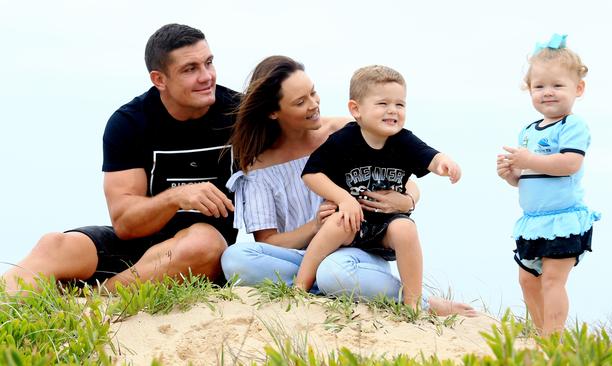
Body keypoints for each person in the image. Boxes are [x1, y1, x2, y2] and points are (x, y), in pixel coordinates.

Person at [222, 56, 475, 316]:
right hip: (304, 257)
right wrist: (316, 227)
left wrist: (407, 201)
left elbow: (400, 180)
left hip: (356, 252)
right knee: (235, 259)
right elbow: (270, 242)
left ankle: (414, 302)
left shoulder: (346, 131)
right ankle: (330, 288)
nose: (314, 104)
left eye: (313, 93)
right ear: (273, 112)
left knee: (335, 270)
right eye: (300, 102)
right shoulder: (258, 167)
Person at [2, 24, 238, 293]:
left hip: (197, 254)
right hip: (137, 248)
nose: (206, 76)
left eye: (208, 63)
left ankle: (94, 300)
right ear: (159, 79)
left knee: (203, 243)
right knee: (53, 245)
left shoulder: (241, 117)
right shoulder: (129, 122)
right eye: (190, 69)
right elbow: (125, 224)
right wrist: (176, 197)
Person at [295, 65, 463, 312]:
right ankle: (300, 286)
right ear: (356, 109)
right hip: (353, 219)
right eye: (383, 103)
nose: (393, 110)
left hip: (387, 224)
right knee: (337, 222)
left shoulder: (404, 141)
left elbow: (429, 156)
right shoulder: (344, 140)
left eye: (400, 104)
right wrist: (344, 198)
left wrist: (443, 163)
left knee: (406, 228)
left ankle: (413, 302)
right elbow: (311, 174)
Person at [496, 34, 600, 336]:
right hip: (532, 222)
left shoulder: (572, 125)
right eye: (539, 86)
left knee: (554, 280)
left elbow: (569, 163)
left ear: (577, 89)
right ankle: (542, 333)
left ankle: (553, 337)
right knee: (528, 279)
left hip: (563, 219)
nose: (548, 93)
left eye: (557, 85)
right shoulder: (527, 130)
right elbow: (528, 178)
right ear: (529, 90)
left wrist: (530, 159)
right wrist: (511, 174)